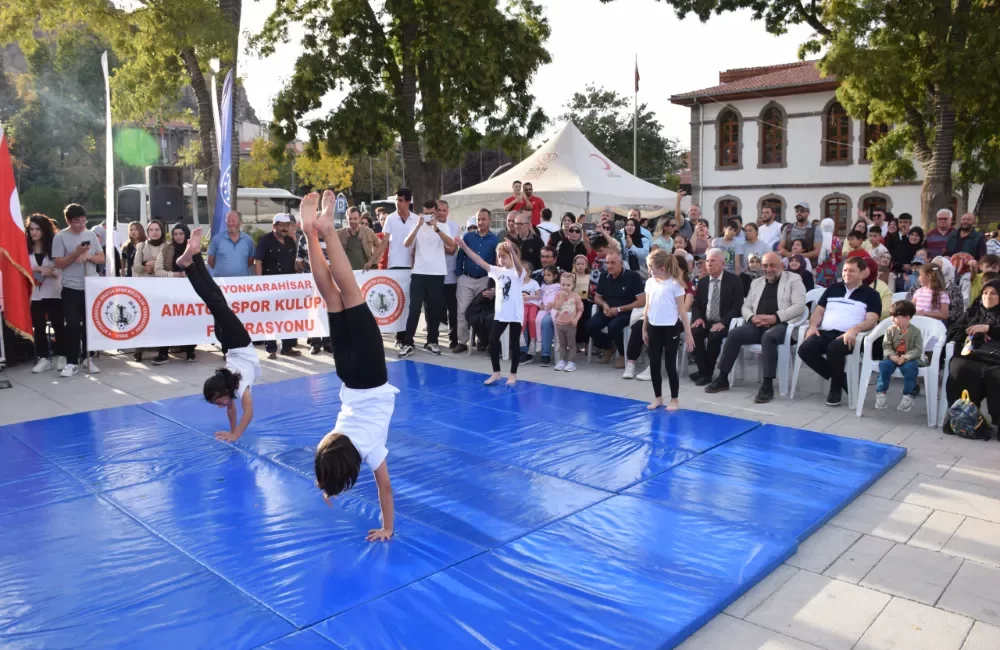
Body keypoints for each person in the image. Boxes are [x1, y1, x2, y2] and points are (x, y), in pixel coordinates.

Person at [304, 191, 397, 542]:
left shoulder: (368, 447)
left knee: (351, 292)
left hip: (373, 376)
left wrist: (388, 528)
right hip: (347, 374)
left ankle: (327, 229)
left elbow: (385, 490)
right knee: (333, 297)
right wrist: (326, 485)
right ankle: (311, 233)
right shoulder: (330, 441)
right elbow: (327, 463)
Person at [164, 227, 261, 444]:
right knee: (216, 296)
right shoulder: (233, 384)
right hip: (228, 340)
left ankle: (189, 265)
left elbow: (249, 413)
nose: (221, 406)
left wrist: (235, 434)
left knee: (213, 299)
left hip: (235, 340)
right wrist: (232, 431)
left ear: (224, 389)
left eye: (218, 401)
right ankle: (196, 255)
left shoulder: (239, 384)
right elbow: (234, 411)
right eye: (218, 403)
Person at [705, 252, 807, 403]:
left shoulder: (793, 279)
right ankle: (723, 378)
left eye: (772, 265)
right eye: (765, 266)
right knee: (734, 334)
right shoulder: (757, 282)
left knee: (768, 337)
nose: (769, 269)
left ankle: (767, 386)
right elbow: (745, 306)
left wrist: (776, 317)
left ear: (782, 266)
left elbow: (799, 306)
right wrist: (752, 317)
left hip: (782, 324)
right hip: (757, 324)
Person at [797, 256, 882, 406]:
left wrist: (854, 330)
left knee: (834, 348)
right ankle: (841, 378)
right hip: (826, 331)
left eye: (852, 271)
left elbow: (872, 320)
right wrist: (812, 326)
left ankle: (835, 389)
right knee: (805, 349)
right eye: (845, 270)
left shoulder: (871, 295)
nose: (847, 274)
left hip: (850, 336)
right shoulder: (833, 289)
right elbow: (818, 312)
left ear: (863, 273)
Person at [455, 237, 525, 386]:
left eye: (504, 256)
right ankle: (496, 372)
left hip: (515, 314)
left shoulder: (518, 273)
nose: (501, 259)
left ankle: (513, 374)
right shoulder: (496, 271)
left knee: (514, 343)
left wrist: (512, 250)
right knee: (492, 341)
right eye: (499, 257)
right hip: (501, 314)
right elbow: (479, 261)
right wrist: (465, 247)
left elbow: (519, 268)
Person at [637, 250, 695, 411]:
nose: (649, 271)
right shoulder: (650, 283)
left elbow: (682, 312)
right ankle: (658, 398)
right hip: (654, 328)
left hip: (670, 329)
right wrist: (644, 328)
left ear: (662, 267)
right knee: (654, 364)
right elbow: (647, 307)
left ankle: (674, 399)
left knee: (670, 365)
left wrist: (688, 334)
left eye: (651, 267)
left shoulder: (675, 285)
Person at [51, 203, 105, 377]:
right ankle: (71, 362)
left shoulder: (90, 234)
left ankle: (87, 359)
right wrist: (75, 254)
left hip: (90, 286)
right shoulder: (60, 237)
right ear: (68, 221)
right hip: (71, 287)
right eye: (77, 222)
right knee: (73, 325)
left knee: (89, 324)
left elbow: (101, 258)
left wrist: (89, 256)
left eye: (83, 220)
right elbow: (59, 263)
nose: (81, 225)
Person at [399, 199, 455, 357]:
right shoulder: (416, 225)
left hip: (437, 273)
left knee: (434, 310)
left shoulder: (443, 226)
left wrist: (436, 229)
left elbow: (450, 245)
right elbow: (406, 243)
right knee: (414, 308)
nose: (429, 216)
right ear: (421, 212)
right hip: (419, 273)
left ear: (436, 212)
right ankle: (408, 343)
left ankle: (432, 341)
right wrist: (418, 226)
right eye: (426, 213)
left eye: (432, 213)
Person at [945, 279, 1000, 436]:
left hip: (996, 359)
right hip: (972, 356)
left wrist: (989, 328)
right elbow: (952, 332)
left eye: (994, 293)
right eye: (985, 293)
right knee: (959, 368)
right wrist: (971, 332)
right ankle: (963, 417)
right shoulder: (972, 312)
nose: (988, 296)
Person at [689, 248, 743, 386]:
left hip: (724, 321)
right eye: (707, 261)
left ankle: (706, 373)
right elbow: (696, 305)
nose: (709, 264)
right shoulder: (703, 282)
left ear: (723, 263)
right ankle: (703, 371)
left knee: (714, 336)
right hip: (706, 320)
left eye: (713, 261)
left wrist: (723, 322)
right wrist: (698, 318)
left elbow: (737, 306)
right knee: (695, 332)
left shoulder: (734, 281)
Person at [587, 251, 646, 368]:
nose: (609, 266)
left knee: (614, 326)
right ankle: (608, 347)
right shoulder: (604, 276)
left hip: (627, 311)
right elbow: (597, 297)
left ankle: (623, 353)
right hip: (608, 310)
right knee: (590, 325)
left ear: (621, 263)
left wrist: (619, 309)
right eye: (607, 263)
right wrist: (604, 305)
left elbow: (642, 301)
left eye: (613, 263)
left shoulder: (632, 277)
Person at [255, 213, 301, 359]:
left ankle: (287, 347)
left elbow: (295, 261)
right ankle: (271, 348)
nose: (284, 228)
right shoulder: (265, 240)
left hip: (288, 285)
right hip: (270, 285)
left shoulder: (290, 241)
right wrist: (259, 283)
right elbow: (258, 262)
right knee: (270, 316)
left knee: (288, 316)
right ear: (274, 226)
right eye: (281, 225)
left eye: (286, 225)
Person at [454, 208, 498, 353]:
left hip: (484, 280)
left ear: (489, 220)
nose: (480, 222)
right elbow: (461, 255)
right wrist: (459, 274)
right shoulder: (468, 237)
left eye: (484, 219)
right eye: (478, 219)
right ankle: (462, 341)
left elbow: (496, 262)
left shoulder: (495, 239)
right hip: (466, 278)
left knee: (480, 311)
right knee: (462, 311)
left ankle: (481, 340)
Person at [26, 214, 65, 373]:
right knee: (38, 327)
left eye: (37, 229)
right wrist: (37, 270)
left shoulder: (54, 245)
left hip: (54, 292)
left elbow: (62, 266)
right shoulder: (24, 248)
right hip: (34, 294)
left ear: (45, 230)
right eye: (31, 229)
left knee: (58, 324)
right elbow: (21, 268)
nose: (34, 232)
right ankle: (43, 358)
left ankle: (63, 355)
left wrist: (51, 271)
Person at [875, 300, 924, 412]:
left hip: (909, 359)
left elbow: (918, 348)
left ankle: (908, 395)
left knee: (910, 369)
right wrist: (891, 356)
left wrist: (906, 357)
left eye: (895, 316)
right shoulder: (890, 330)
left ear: (907, 318)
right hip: (892, 357)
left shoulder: (916, 332)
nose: (892, 319)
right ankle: (881, 392)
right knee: (884, 366)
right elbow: (886, 345)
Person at [552, 272, 585, 372]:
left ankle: (571, 362)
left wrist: (575, 319)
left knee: (571, 344)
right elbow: (556, 307)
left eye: (568, 285)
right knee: (562, 344)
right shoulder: (558, 295)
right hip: (559, 323)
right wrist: (562, 298)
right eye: (563, 285)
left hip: (570, 324)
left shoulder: (576, 297)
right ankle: (562, 360)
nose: (565, 287)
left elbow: (580, 309)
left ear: (573, 285)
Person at [207, 211, 255, 277]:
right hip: (222, 282)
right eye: (228, 221)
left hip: (242, 282)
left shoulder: (248, 240)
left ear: (240, 223)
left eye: (233, 221)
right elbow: (210, 261)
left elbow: (250, 261)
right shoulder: (217, 239)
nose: (230, 223)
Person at [335, 206, 379, 272]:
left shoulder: (369, 232)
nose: (353, 221)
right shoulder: (339, 234)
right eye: (350, 219)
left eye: (355, 219)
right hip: (346, 273)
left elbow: (381, 246)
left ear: (360, 218)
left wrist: (374, 261)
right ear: (346, 218)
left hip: (366, 272)